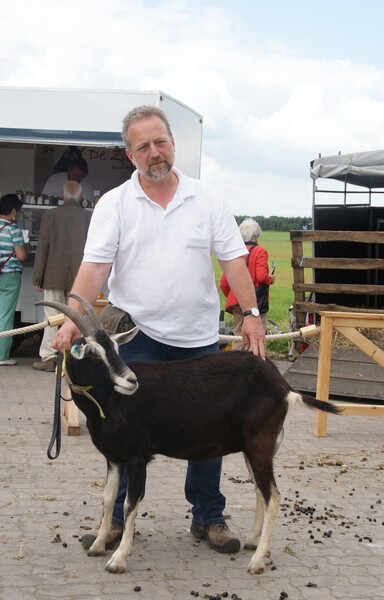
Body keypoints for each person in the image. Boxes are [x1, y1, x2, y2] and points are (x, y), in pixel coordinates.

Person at [52, 105, 265, 554]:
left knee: (209, 430)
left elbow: (233, 260)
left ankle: (209, 518)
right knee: (123, 433)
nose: (154, 152)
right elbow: (94, 269)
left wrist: (251, 313)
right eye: (143, 146)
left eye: (160, 142)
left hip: (199, 340)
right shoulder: (114, 204)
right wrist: (73, 320)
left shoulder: (207, 198)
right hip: (137, 341)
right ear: (130, 154)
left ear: (173, 142)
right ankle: (113, 523)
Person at [32, 181, 92, 372]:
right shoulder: (88, 217)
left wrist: (38, 277)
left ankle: (49, 357)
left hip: (53, 275)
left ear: (61, 195)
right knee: (78, 319)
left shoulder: (50, 216)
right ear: (81, 197)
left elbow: (43, 248)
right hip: (80, 278)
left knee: (51, 318)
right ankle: (76, 358)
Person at [0, 194, 28, 366]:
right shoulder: (13, 229)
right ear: (12, 210)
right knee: (5, 317)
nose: (17, 214)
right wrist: (25, 247)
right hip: (9, 277)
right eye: (17, 211)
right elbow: (21, 255)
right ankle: (2, 357)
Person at [220, 218, 275, 349]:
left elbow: (224, 283)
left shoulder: (235, 251)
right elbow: (261, 276)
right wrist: (270, 279)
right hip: (255, 302)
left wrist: (234, 294)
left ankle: (237, 365)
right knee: (256, 335)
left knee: (238, 335)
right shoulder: (260, 251)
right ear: (256, 236)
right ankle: (255, 364)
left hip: (236, 301)